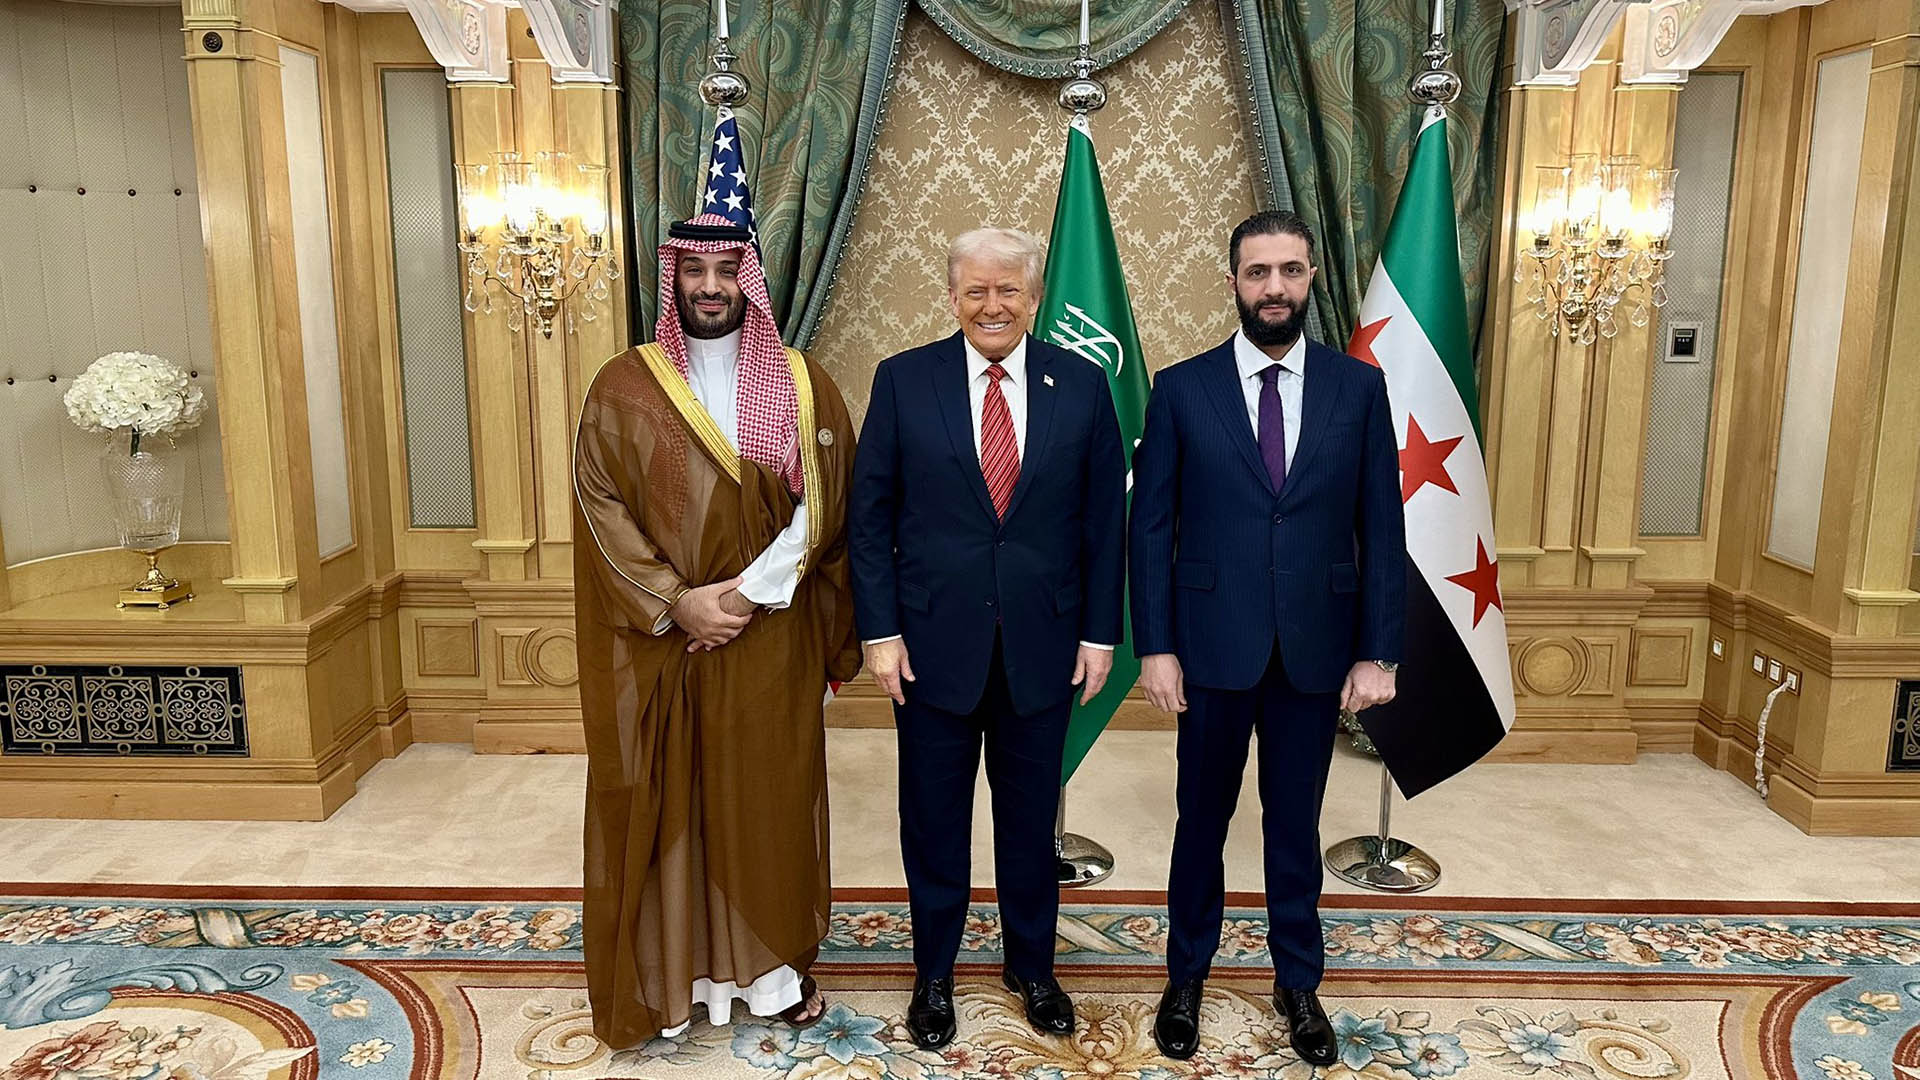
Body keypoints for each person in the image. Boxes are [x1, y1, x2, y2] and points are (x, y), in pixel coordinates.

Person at [572, 214, 861, 1048]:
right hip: (660, 639)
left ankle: (767, 976)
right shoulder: (623, 385)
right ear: (672, 279)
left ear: (751, 282)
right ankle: (673, 976)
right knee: (668, 800)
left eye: (725, 270)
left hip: (769, 638)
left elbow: (830, 505)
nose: (709, 286)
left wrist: (740, 598)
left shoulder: (806, 383)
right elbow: (600, 506)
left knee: (763, 800)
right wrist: (676, 601)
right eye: (692, 269)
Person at [1129, 210, 1406, 1065]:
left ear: (1312, 277)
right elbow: (1151, 528)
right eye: (1258, 273)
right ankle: (1186, 980)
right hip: (1209, 647)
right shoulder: (1181, 388)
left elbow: (1382, 528)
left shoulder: (1357, 389)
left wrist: (1379, 649)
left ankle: (1299, 983)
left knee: (1296, 826)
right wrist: (1157, 646)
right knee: (1199, 823)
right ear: (1234, 282)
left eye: (1290, 271)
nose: (1275, 288)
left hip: (1315, 651)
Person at [848, 227, 1127, 1050]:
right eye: (976, 290)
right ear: (952, 297)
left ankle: (1031, 967)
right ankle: (933, 972)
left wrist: (1101, 634)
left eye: (1009, 289)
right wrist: (880, 633)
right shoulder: (904, 381)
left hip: (1043, 645)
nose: (993, 304)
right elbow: (870, 520)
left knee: (1030, 819)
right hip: (930, 647)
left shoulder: (1080, 384)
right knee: (933, 820)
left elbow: (1103, 521)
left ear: (1034, 296)